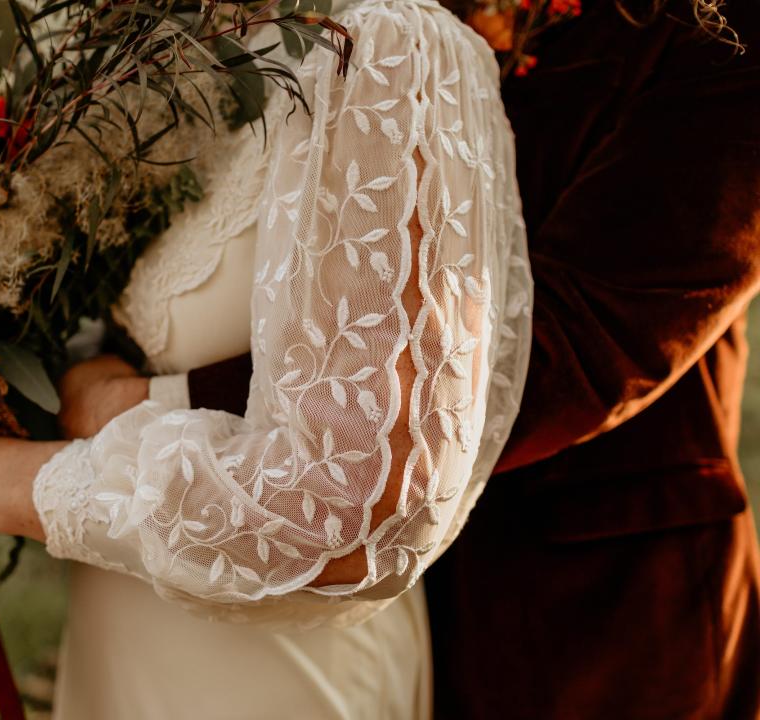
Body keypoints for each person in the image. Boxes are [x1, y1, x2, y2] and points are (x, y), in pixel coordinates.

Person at [0, 0, 532, 717]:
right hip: (126, 634)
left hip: (275, 672)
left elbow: (349, 502)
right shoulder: (178, 43)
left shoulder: (384, 46)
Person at [163, 0, 760, 716]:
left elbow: (579, 342)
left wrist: (170, 401)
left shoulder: (723, 32)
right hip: (355, 591)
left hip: (597, 604)